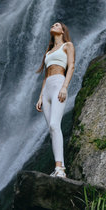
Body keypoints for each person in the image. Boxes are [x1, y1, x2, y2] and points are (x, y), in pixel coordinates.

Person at [35, 21, 75, 178]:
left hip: (59, 83)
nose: (53, 25)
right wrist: (40, 97)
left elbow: (71, 66)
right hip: (47, 90)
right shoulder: (49, 52)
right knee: (52, 130)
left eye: (57, 25)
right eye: (52, 24)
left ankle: (60, 169)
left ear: (63, 31)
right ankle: (58, 167)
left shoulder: (68, 46)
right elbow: (45, 76)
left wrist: (65, 87)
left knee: (54, 124)